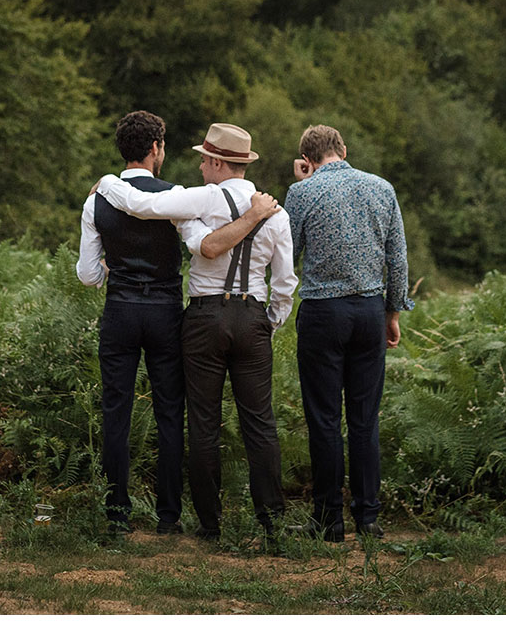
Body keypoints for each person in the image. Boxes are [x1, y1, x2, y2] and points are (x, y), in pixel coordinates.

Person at [93, 122, 294, 542]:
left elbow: (140, 206)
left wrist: (108, 183)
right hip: (253, 317)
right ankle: (272, 523)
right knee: (260, 422)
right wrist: (268, 322)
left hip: (204, 318)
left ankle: (209, 524)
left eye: (205, 159)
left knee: (203, 422)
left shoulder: (200, 198)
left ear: (219, 162)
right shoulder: (277, 212)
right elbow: (286, 282)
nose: (200, 167)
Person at [283, 124, 412, 543]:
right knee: (364, 419)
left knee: (324, 420)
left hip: (323, 313)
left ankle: (328, 520)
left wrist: (304, 185)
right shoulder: (381, 188)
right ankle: (368, 517)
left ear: (307, 159)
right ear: (344, 150)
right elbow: (398, 258)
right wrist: (392, 313)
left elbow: (291, 250)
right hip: (370, 311)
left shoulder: (301, 193)